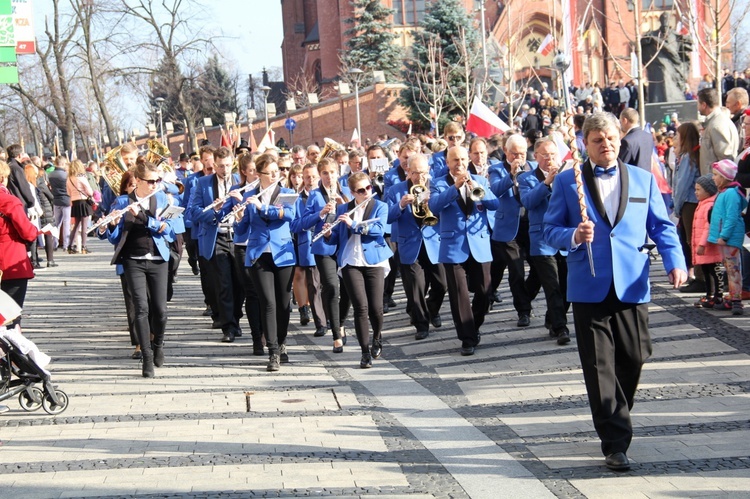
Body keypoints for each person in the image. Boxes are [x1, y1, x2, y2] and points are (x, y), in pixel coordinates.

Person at [543, 112, 687, 471]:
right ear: (586, 144)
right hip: (588, 284)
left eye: (609, 137)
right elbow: (548, 231)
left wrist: (676, 261)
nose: (605, 144)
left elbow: (662, 225)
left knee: (636, 355)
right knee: (598, 367)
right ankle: (615, 442)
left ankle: (616, 413)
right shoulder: (567, 182)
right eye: (596, 139)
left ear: (619, 138)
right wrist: (574, 235)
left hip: (632, 282)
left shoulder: (641, 179)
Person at [101, 160, 175, 377]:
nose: (155, 185)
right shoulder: (123, 201)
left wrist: (145, 218)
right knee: (141, 309)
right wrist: (111, 225)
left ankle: (159, 343)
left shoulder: (161, 199)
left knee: (160, 310)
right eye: (151, 181)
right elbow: (113, 237)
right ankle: (147, 355)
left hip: (158, 259)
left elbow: (169, 230)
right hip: (132, 260)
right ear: (138, 182)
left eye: (158, 181)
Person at [428, 146, 499, 356]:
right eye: (454, 160)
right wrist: (455, 188)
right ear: (447, 163)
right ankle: (467, 339)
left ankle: (473, 326)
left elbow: (494, 204)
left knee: (485, 292)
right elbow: (433, 207)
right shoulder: (439, 183)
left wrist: (477, 187)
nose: (459, 164)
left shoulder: (481, 180)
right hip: (453, 246)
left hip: (479, 244)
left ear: (468, 160)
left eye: (462, 159)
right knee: (459, 295)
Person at [235, 154, 297, 371]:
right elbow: (241, 231)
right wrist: (240, 217)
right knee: (267, 302)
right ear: (259, 174)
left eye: (277, 171)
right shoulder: (249, 196)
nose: (276, 175)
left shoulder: (287, 193)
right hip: (259, 253)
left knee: (283, 303)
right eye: (270, 172)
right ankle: (272, 351)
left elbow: (289, 215)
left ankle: (281, 342)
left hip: (283, 253)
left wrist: (263, 208)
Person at [326, 172, 392, 368]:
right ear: (353, 192)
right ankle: (364, 352)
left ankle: (377, 338)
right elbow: (337, 237)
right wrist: (329, 233)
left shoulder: (380, 206)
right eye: (361, 190)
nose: (366, 192)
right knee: (360, 307)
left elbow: (378, 230)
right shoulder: (343, 209)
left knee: (376, 308)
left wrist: (353, 224)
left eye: (369, 188)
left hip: (374, 260)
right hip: (351, 261)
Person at [386, 154, 446, 340]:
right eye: (414, 173)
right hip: (409, 244)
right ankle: (421, 325)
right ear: (407, 172)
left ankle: (432, 309)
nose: (419, 177)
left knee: (442, 284)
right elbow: (387, 217)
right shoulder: (396, 191)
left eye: (422, 172)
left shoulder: (436, 186)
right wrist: (401, 205)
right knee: (415, 288)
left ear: (428, 170)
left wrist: (434, 203)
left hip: (433, 242)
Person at [187, 146, 244, 342]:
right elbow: (192, 212)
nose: (224, 170)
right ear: (214, 165)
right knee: (224, 283)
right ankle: (228, 326)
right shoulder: (203, 183)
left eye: (228, 165)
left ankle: (236, 319)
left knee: (240, 284)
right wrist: (214, 211)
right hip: (216, 236)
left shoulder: (240, 182)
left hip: (238, 236)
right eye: (220, 166)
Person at [518, 139, 570, 344]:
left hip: (564, 238)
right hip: (541, 239)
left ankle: (552, 318)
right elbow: (528, 202)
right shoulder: (526, 178)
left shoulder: (565, 177)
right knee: (552, 285)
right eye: (545, 155)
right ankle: (560, 328)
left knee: (567, 286)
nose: (550, 159)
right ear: (536, 156)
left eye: (553, 155)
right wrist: (547, 182)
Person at [488, 133, 540, 327]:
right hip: (509, 227)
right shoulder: (496, 169)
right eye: (515, 154)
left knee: (538, 268)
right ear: (507, 152)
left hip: (531, 224)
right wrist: (511, 174)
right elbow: (495, 190)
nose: (519, 158)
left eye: (523, 153)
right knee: (516, 270)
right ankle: (523, 311)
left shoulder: (534, 167)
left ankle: (525, 298)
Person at [299, 158, 351, 349]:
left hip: (344, 247)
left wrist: (343, 205)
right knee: (331, 286)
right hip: (324, 248)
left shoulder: (346, 192)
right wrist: (321, 213)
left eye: (332, 172)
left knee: (347, 289)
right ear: (320, 175)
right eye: (325, 173)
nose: (329, 176)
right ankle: (336, 334)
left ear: (338, 172)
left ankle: (341, 322)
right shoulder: (314, 196)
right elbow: (304, 223)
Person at [0, 160, 39, 327]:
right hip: (10, 261)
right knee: (10, 315)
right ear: (3, 178)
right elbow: (27, 232)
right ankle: (9, 352)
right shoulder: (9, 201)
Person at [290, 163, 327, 337]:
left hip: (329, 245)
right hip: (309, 246)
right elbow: (295, 225)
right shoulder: (297, 200)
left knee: (330, 286)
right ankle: (320, 322)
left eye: (313, 176)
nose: (310, 180)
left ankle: (332, 318)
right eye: (306, 177)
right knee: (314, 285)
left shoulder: (326, 195)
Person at [707, 159, 747, 315]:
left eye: (716, 175)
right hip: (726, 238)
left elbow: (731, 217)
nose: (713, 178)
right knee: (730, 268)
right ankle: (732, 297)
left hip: (729, 238)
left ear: (724, 177)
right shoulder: (726, 192)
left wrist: (723, 236)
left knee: (733, 269)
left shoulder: (730, 193)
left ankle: (736, 300)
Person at [672, 122, 703, 292]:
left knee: (693, 240)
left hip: (689, 203)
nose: (676, 138)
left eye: (678, 135)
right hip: (690, 201)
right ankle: (698, 275)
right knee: (691, 240)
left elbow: (683, 185)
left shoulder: (688, 157)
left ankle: (701, 278)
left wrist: (676, 207)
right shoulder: (689, 155)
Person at [691, 175, 723, 308]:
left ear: (708, 191)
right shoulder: (702, 204)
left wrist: (702, 244)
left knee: (714, 271)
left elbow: (708, 227)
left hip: (709, 246)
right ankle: (709, 294)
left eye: (699, 189)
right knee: (706, 271)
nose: (695, 192)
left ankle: (718, 295)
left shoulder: (709, 205)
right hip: (703, 247)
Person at [698, 88, 739, 175]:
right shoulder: (716, 122)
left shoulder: (716, 125)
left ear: (704, 105)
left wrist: (718, 182)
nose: (697, 107)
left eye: (698, 103)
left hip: (715, 183)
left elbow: (725, 159)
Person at [66, 159, 94, 254]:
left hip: (74, 202)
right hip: (83, 201)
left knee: (76, 225)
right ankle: (83, 247)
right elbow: (90, 191)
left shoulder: (69, 179)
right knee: (84, 225)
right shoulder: (81, 177)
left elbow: (68, 192)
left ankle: (70, 246)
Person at [35, 163, 57, 268]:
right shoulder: (40, 182)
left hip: (40, 209)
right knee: (48, 234)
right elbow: (51, 196)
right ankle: (50, 260)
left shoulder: (33, 182)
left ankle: (35, 259)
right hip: (46, 209)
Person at [48, 156, 71, 251]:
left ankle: (55, 243)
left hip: (56, 200)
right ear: (62, 163)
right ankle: (66, 244)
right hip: (66, 199)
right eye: (65, 163)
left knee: (56, 223)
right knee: (66, 223)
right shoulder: (65, 175)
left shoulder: (50, 174)